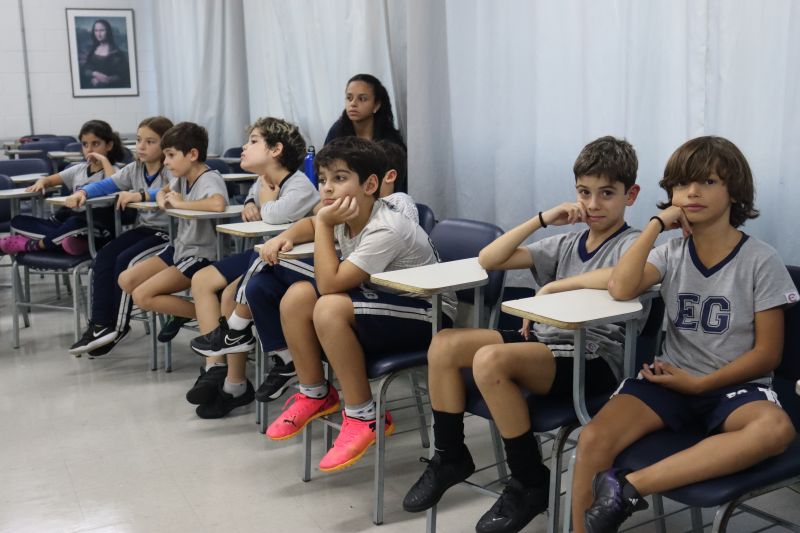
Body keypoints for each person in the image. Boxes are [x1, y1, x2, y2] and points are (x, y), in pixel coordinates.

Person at [402, 136, 644, 533]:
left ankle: (529, 479)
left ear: (629, 195)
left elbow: (622, 278)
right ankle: (450, 455)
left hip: (594, 359)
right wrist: (542, 219)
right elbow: (489, 258)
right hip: (546, 346)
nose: (594, 204)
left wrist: (554, 286)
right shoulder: (567, 242)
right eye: (585, 192)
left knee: (489, 360)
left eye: (607, 193)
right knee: (444, 344)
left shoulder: (633, 244)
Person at [575, 136, 799, 533]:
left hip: (733, 388)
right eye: (681, 184)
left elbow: (768, 355)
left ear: (735, 192)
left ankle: (629, 487)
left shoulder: (761, 260)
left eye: (708, 182)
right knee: (593, 439)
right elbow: (621, 288)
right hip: (669, 381)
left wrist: (701, 385)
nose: (692, 192)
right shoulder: (670, 253)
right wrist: (656, 225)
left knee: (775, 430)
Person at [261, 136, 456, 473]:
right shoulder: (347, 213)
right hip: (383, 304)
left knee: (328, 306)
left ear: (370, 185)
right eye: (323, 179)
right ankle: (315, 393)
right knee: (297, 297)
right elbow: (311, 223)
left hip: (428, 315)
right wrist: (285, 235)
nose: (327, 188)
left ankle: (365, 415)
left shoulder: (385, 228)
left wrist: (324, 225)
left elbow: (330, 283)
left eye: (339, 178)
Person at [182, 117, 318, 419]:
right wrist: (248, 203)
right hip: (272, 261)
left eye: (253, 141)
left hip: (296, 267)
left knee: (235, 292)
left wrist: (264, 202)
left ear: (276, 149)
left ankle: (233, 340)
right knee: (225, 290)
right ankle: (233, 374)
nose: (245, 146)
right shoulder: (263, 180)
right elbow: (254, 198)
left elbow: (275, 215)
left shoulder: (299, 184)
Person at [67, 116, 175, 357]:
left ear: (166, 146)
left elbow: (174, 190)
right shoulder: (135, 168)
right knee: (104, 256)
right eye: (139, 140)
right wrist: (83, 192)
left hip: (169, 234)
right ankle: (98, 324)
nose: (141, 146)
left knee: (125, 261)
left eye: (150, 142)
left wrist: (140, 195)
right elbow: (107, 185)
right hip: (145, 229)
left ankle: (116, 328)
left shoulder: (172, 168)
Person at [116, 122, 228, 344]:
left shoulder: (209, 178)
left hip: (201, 254)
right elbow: (163, 191)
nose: (165, 162)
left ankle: (212, 316)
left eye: (170, 155)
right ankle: (205, 312)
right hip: (180, 248)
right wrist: (163, 200)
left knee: (142, 295)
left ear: (192, 154)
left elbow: (218, 204)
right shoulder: (182, 178)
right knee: (126, 280)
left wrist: (179, 204)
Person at [0, 119, 125, 255]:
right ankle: (68, 243)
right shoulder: (78, 169)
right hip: (68, 224)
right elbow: (49, 180)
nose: (89, 149)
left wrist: (104, 160)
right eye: (85, 144)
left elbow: (112, 184)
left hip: (97, 225)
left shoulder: (115, 170)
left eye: (95, 144)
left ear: (109, 145)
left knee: (75, 223)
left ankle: (35, 245)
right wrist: (41, 182)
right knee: (18, 221)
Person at [324, 74, 406, 156]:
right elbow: (324, 161)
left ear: (376, 105)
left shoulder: (389, 139)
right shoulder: (337, 131)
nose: (353, 103)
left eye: (362, 99)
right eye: (349, 98)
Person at [80, 19, 130, 89]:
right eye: (96, 30)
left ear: (108, 31)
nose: (98, 34)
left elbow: (123, 75)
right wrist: (94, 74)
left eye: (102, 30)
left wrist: (105, 80)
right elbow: (85, 69)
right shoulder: (93, 49)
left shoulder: (115, 52)